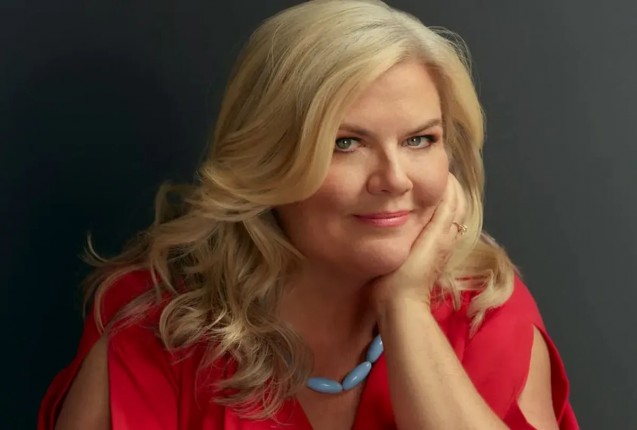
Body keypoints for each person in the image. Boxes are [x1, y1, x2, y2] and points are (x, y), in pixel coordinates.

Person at [39, 0, 579, 429]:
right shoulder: (155, 325)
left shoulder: (484, 309)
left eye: (419, 140)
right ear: (269, 160)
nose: (394, 179)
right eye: (346, 143)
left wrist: (406, 308)